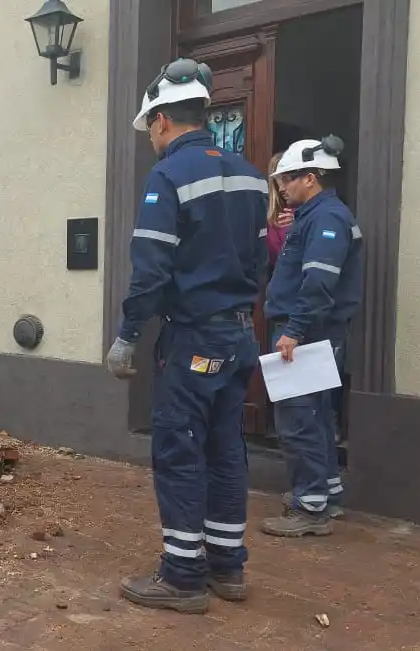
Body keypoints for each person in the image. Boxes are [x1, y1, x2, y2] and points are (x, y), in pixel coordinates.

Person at [106, 58, 269, 614]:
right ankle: (228, 567)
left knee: (180, 451)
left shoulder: (168, 176)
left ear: (160, 121)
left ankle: (182, 576)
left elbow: (151, 270)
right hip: (239, 338)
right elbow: (261, 260)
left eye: (150, 127)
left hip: (194, 341)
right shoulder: (250, 175)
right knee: (227, 449)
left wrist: (127, 334)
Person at [262, 136, 362, 537]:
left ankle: (310, 507)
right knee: (317, 415)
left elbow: (318, 282)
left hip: (307, 332)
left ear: (311, 177)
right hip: (313, 331)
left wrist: (293, 331)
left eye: (287, 179)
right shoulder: (316, 215)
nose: (282, 188)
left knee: (299, 418)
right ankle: (326, 494)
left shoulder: (326, 218)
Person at [266, 152, 296, 269]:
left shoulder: (310, 213)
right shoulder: (271, 215)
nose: (282, 187)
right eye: (279, 180)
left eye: (288, 179)